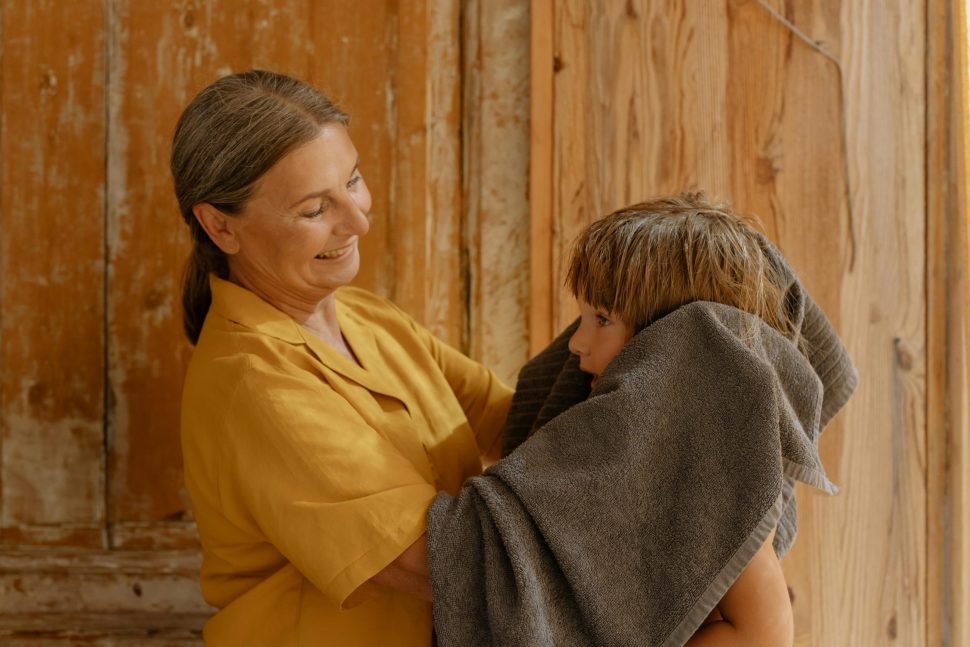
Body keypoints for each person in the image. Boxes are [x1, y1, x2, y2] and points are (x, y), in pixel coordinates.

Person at [174, 70, 512, 646]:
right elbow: (432, 561)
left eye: (352, 180)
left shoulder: (367, 317)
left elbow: (514, 417)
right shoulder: (255, 383)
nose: (358, 220)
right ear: (220, 226)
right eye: (314, 209)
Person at [564, 193, 796, 646]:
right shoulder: (630, 438)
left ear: (676, 340)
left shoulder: (715, 461)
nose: (575, 342)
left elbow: (765, 635)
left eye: (601, 319)